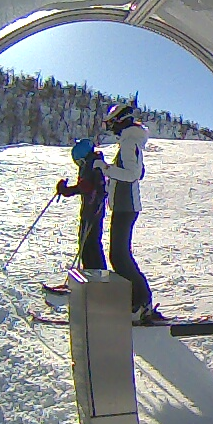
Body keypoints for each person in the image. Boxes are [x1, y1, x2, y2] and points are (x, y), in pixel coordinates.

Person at [93, 103, 162, 322]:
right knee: (119, 255)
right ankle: (138, 302)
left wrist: (105, 168)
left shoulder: (129, 142)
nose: (110, 128)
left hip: (126, 206)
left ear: (120, 121)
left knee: (119, 256)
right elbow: (137, 172)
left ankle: (142, 303)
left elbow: (132, 174)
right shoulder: (130, 141)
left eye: (111, 123)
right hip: (124, 205)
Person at [55, 138, 107, 271]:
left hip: (94, 210)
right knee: (85, 244)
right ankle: (90, 273)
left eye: (79, 162)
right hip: (88, 209)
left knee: (91, 244)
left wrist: (89, 189)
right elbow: (83, 188)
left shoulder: (95, 166)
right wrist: (67, 190)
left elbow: (100, 188)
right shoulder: (89, 165)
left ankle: (99, 275)